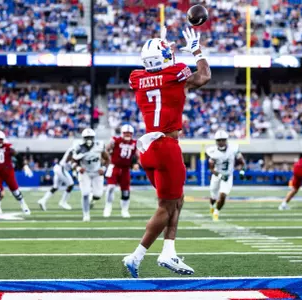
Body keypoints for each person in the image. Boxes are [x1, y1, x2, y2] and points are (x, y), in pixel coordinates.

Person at [123, 27, 211, 278]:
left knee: (176, 200)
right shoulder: (175, 73)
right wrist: (195, 49)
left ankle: (169, 252)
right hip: (166, 146)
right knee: (166, 206)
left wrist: (163, 50)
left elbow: (158, 75)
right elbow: (204, 76)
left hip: (148, 146)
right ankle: (136, 256)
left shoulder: (136, 78)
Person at [0, 131, 33, 215]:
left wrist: (25, 166)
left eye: (0, 140)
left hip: (8, 172)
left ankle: (23, 205)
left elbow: (19, 157)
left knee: (15, 191)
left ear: (3, 140)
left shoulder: (8, 148)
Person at [72, 128, 110, 221]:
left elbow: (107, 159)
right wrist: (78, 168)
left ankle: (91, 199)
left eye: (90, 137)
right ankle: (86, 214)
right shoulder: (78, 147)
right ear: (83, 138)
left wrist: (103, 168)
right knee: (85, 193)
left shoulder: (99, 146)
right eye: (86, 137)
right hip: (85, 173)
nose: (89, 139)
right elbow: (73, 161)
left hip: (97, 172)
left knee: (98, 195)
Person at [207, 129, 245, 221]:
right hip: (217, 175)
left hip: (228, 175)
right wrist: (220, 175)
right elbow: (211, 169)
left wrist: (241, 171)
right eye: (219, 140)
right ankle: (212, 205)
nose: (221, 142)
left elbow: (241, 162)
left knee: (223, 195)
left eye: (223, 140)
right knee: (213, 196)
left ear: (226, 140)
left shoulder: (233, 149)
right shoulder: (212, 151)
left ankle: (216, 212)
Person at [104, 124, 138, 218]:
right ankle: (108, 207)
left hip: (125, 169)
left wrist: (135, 163)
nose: (127, 135)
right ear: (122, 133)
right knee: (110, 187)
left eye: (129, 133)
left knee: (126, 191)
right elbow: (106, 150)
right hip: (114, 166)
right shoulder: (115, 140)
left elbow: (136, 155)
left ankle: (124, 210)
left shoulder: (135, 143)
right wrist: (107, 160)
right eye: (126, 133)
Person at [37, 145, 76, 211]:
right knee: (71, 185)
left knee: (55, 187)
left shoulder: (75, 150)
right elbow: (70, 158)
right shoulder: (74, 150)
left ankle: (43, 200)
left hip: (59, 167)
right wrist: (73, 164)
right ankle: (63, 202)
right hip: (62, 168)